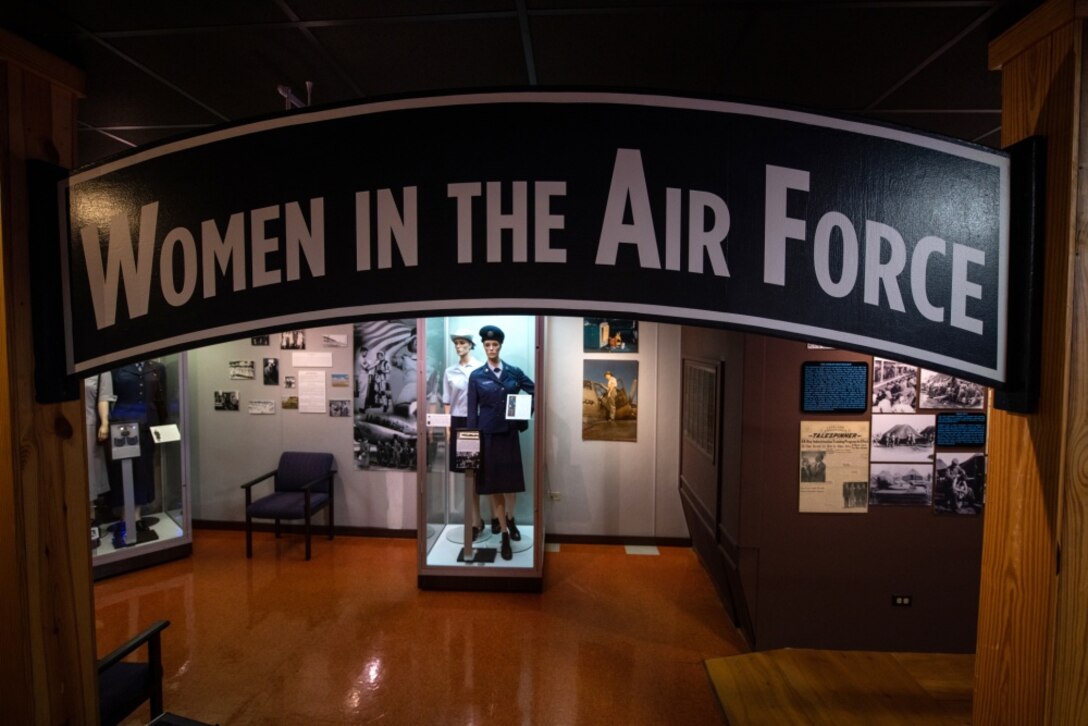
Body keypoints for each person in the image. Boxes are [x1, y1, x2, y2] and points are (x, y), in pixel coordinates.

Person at [467, 325, 535, 561]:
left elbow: (534, 390)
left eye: (495, 345)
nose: (491, 348)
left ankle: (511, 518)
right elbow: (472, 412)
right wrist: (472, 440)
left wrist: (523, 417)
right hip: (488, 437)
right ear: (483, 347)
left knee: (511, 485)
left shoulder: (514, 373)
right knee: (495, 486)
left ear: (500, 346)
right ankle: (504, 534)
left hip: (508, 435)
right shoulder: (477, 376)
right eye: (487, 345)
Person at [442, 329, 486, 539]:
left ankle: (478, 521)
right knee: (466, 473)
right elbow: (447, 401)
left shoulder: (480, 368)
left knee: (475, 472)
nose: (458, 346)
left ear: (470, 344)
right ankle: (475, 521)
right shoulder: (450, 371)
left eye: (462, 343)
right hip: (458, 420)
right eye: (456, 343)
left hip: (476, 421)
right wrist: (447, 427)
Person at [107, 360, 168, 509]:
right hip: (123, 423)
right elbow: (107, 398)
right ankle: (123, 514)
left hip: (149, 422)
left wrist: (163, 421)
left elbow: (162, 397)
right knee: (122, 469)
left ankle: (138, 513)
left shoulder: (157, 367)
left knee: (145, 467)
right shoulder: (116, 368)